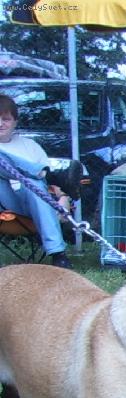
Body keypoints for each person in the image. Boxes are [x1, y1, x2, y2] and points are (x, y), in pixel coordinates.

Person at [0, 94, 72, 269]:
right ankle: (38, 171)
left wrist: (63, 197)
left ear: (15, 122)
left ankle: (58, 254)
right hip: (2, 202)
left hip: (31, 202)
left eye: (6, 119)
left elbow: (50, 185)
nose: (0, 124)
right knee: (33, 176)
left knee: (34, 184)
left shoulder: (30, 146)